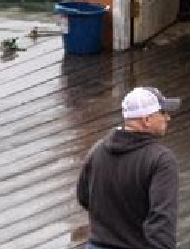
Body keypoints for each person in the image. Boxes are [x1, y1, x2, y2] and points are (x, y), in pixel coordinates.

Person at [76, 86, 182, 249]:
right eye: (163, 113)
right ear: (146, 120)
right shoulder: (161, 160)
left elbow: (84, 197)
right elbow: (163, 219)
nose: (168, 118)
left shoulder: (98, 150)